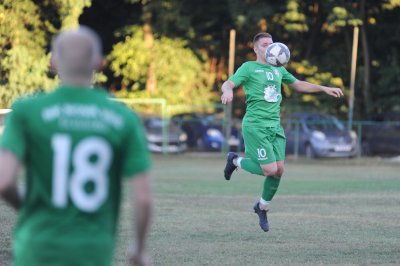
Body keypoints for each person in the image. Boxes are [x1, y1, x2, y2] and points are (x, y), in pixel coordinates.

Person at [0, 26, 153, 266]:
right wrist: (139, 249)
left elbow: (4, 181)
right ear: (99, 63)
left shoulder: (26, 111)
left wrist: (30, 208)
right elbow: (143, 198)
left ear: (53, 63)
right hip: (92, 252)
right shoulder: (123, 118)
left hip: (35, 249)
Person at [221, 32, 343, 232]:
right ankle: (235, 160)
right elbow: (229, 82)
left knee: (278, 171)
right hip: (256, 125)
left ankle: (262, 207)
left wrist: (323, 88)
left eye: (271, 44)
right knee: (269, 169)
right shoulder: (249, 67)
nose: (269, 48)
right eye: (265, 45)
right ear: (256, 48)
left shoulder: (278, 68)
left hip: (275, 126)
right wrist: (227, 90)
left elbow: (297, 84)